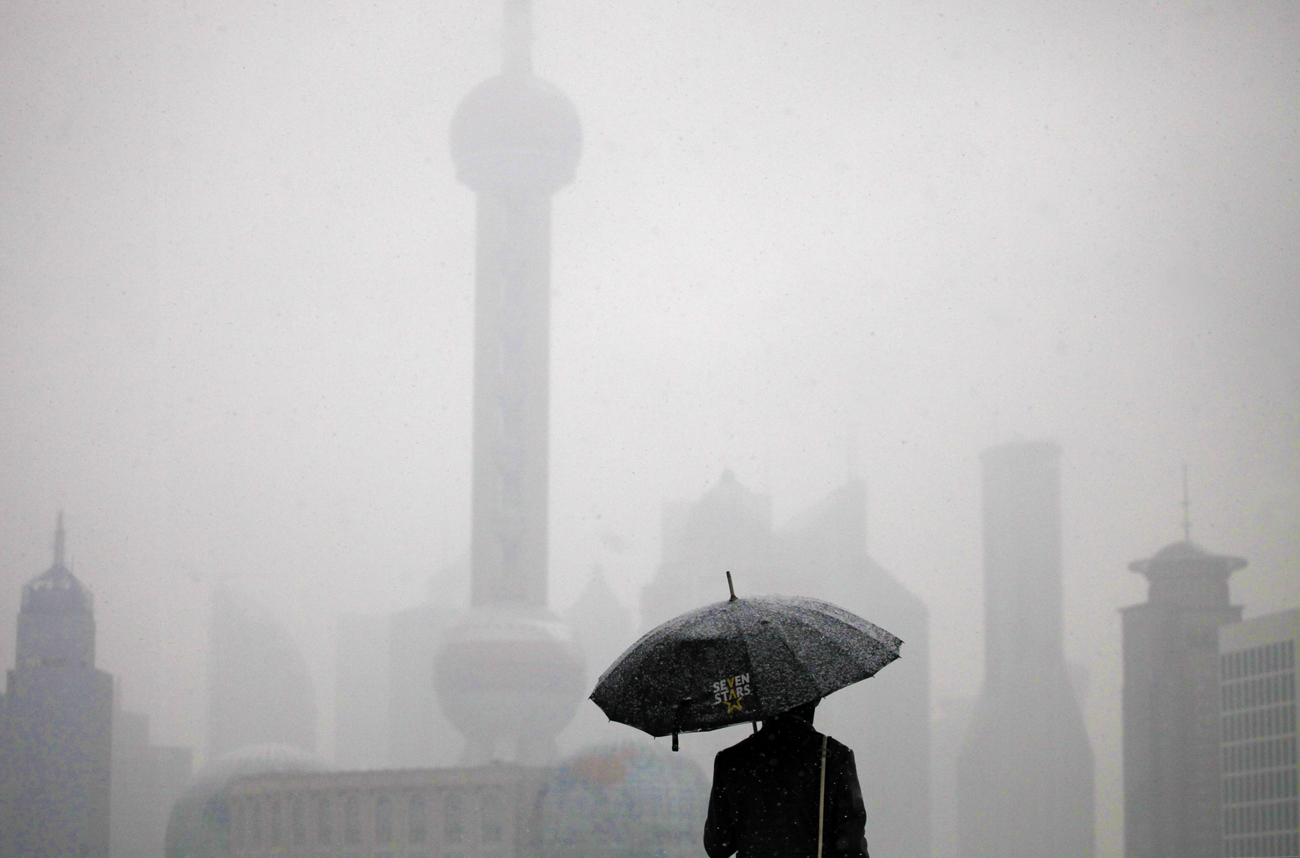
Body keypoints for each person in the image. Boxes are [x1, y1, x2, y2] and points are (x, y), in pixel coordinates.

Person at [703, 699, 870, 858]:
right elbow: (852, 847)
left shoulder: (731, 760)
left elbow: (717, 847)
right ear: (814, 701)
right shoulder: (834, 756)